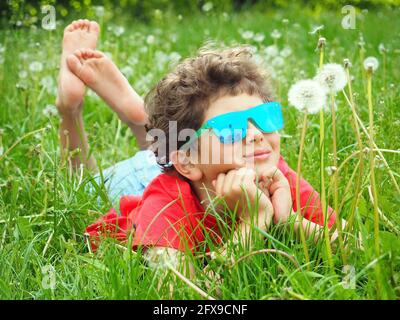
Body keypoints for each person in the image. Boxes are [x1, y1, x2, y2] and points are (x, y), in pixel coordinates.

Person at [56, 19, 342, 275]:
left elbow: (352, 245)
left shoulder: (277, 176)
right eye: (231, 129)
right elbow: (180, 290)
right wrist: (253, 222)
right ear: (188, 161)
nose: (256, 135)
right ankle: (70, 109)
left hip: (182, 155)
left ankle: (143, 121)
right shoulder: (165, 204)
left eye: (266, 118)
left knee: (167, 143)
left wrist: (289, 219)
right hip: (137, 181)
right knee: (84, 183)